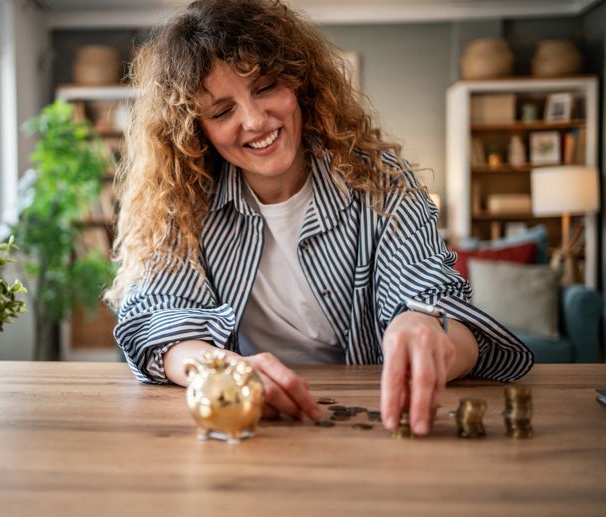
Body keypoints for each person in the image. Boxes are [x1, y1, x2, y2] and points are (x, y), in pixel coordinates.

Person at [104, 0, 533, 436]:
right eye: (221, 111)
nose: (254, 121)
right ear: (196, 128)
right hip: (253, 425)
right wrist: (220, 369)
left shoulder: (381, 183)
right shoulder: (183, 201)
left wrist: (425, 327)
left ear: (300, 82)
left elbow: (440, 305)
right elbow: (157, 318)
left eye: (266, 87)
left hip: (370, 424)